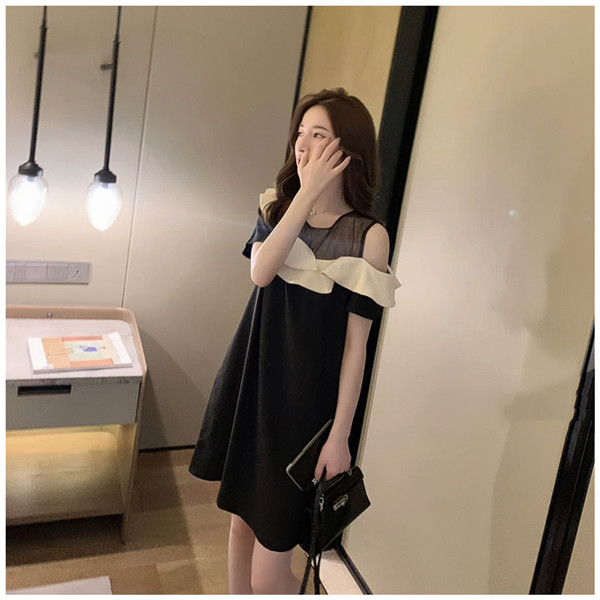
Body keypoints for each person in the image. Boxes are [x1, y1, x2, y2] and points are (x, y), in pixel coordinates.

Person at [189, 88, 400, 594]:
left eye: (319, 135)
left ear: (347, 150)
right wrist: (304, 197)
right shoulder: (277, 206)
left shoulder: (367, 237)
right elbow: (261, 272)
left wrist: (340, 436)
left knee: (271, 565)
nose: (303, 146)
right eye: (300, 134)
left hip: (305, 411)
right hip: (253, 384)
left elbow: (356, 349)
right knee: (240, 527)